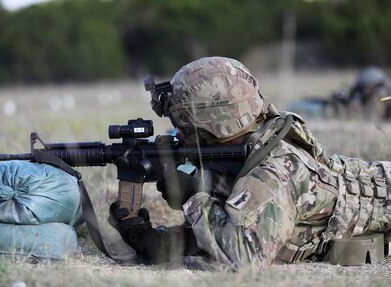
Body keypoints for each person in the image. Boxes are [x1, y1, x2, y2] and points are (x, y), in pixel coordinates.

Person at [108, 56, 391, 270]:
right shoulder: (254, 145)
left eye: (185, 126)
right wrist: (156, 243)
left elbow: (244, 257)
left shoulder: (272, 172)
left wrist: (194, 197)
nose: (179, 134)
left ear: (216, 125)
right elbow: (226, 231)